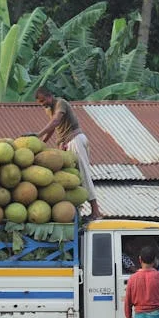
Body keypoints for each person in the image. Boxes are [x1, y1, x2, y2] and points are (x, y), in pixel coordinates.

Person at [35, 86, 101, 219]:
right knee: (71, 178)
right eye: (40, 103)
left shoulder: (61, 103)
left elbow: (56, 121)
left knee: (83, 174)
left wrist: (38, 134)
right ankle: (79, 212)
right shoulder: (49, 109)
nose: (43, 104)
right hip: (66, 144)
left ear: (49, 96)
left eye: (43, 101)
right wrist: (42, 143)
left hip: (75, 140)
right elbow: (54, 128)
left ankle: (96, 211)